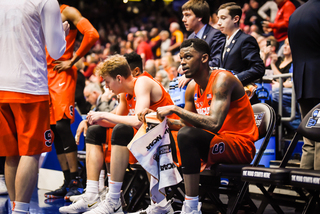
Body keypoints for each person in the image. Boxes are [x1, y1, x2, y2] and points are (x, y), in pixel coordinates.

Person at [139, 39, 259, 214]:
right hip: (214, 141)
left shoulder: (222, 79)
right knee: (156, 134)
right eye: (181, 58)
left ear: (204, 58)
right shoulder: (192, 87)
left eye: (188, 57)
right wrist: (157, 119)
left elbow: (215, 124)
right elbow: (185, 124)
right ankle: (160, 202)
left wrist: (174, 109)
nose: (182, 62)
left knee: (187, 135)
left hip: (239, 145)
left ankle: (192, 208)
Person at [74, 54, 179, 214]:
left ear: (119, 78)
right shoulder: (125, 94)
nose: (106, 87)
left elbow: (139, 121)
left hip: (171, 139)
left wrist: (104, 114)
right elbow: (115, 120)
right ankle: (94, 194)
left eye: (107, 82)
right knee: (96, 131)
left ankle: (119, 199)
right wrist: (92, 120)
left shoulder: (142, 82)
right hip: (148, 140)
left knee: (122, 131)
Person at [0, 0, 67, 213]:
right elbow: (56, 51)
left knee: (12, 153)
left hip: (1, 86)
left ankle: (15, 208)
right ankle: (21, 210)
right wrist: (63, 32)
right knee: (30, 153)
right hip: (29, 86)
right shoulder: (46, 1)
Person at [45, 4, 99, 201]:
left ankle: (76, 180)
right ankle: (67, 180)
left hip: (61, 73)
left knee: (61, 126)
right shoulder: (38, 13)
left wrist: (73, 60)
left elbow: (92, 34)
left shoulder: (66, 11)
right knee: (52, 129)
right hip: (42, 77)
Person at [288, 0, 320, 170]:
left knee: (309, 139)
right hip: (318, 78)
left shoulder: (296, 14)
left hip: (302, 80)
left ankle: (308, 189)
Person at [217, 2, 265, 87]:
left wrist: (234, 79)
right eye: (218, 18)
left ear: (235, 19)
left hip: (240, 93)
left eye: (223, 18)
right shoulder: (224, 41)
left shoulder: (245, 40)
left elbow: (258, 68)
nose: (219, 23)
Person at [182, 0, 225, 68]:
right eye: (183, 15)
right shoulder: (191, 37)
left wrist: (192, 69)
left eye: (187, 15)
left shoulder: (216, 35)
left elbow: (217, 62)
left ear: (199, 17)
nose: (183, 19)